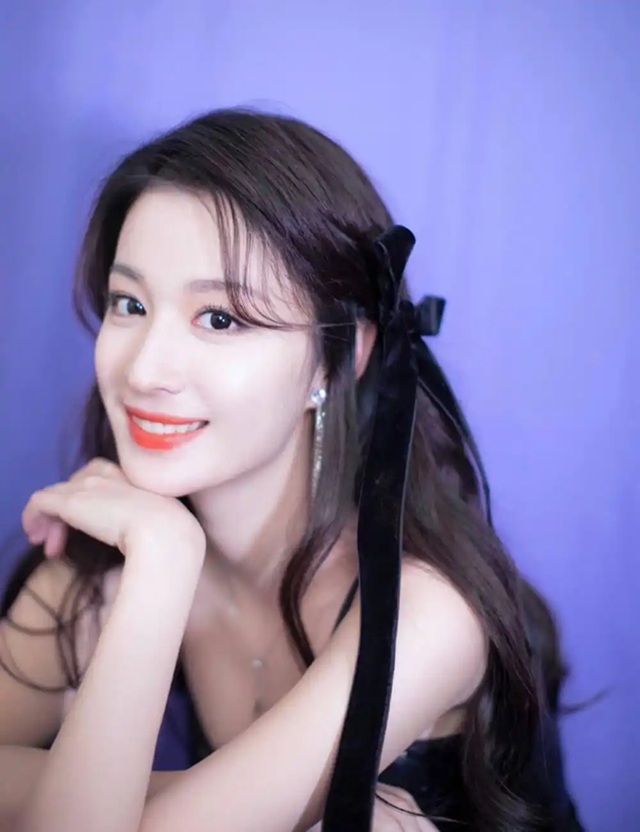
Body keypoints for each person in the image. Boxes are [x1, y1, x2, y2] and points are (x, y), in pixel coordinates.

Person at [0, 108, 585, 832]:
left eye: (220, 318)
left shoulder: (426, 611)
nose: (144, 369)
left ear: (339, 357)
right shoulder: (101, 567)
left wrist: (90, 792)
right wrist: (162, 558)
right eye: (130, 303)